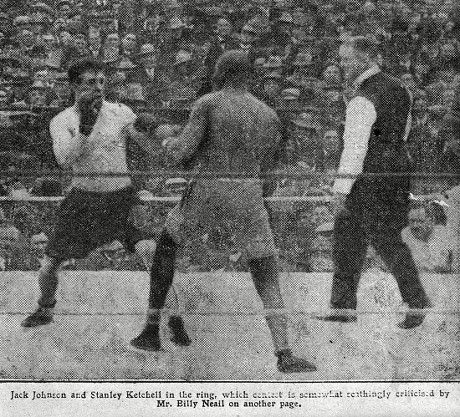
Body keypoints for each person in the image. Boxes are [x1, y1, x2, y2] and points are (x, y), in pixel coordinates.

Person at [130, 50, 317, 373]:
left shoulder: (209, 103)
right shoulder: (269, 114)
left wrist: (154, 135)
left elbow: (180, 152)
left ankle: (150, 330)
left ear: (221, 73)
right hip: (248, 193)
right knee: (265, 271)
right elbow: (269, 172)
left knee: (166, 248)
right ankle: (284, 353)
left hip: (208, 189)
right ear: (248, 76)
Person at [19, 58, 167, 331]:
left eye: (101, 81)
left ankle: (166, 318)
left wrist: (157, 133)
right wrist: (85, 129)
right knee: (50, 264)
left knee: (151, 251)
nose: (98, 87)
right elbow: (64, 160)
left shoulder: (120, 112)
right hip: (83, 201)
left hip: (120, 198)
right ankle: (45, 307)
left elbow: (149, 148)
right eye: (90, 82)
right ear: (75, 86)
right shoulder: (62, 120)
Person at [319, 37, 432, 329]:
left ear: (365, 59)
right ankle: (344, 305)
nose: (341, 65)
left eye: (346, 59)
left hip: (368, 174)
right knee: (358, 236)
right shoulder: (400, 89)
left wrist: (341, 189)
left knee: (372, 238)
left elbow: (354, 146)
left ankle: (414, 300)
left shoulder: (362, 98)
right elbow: (403, 133)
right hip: (396, 170)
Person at [401, 202, 452, 273]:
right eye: (412, 221)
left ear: (431, 221)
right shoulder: (406, 234)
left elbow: (443, 265)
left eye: (420, 221)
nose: (415, 226)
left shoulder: (443, 234)